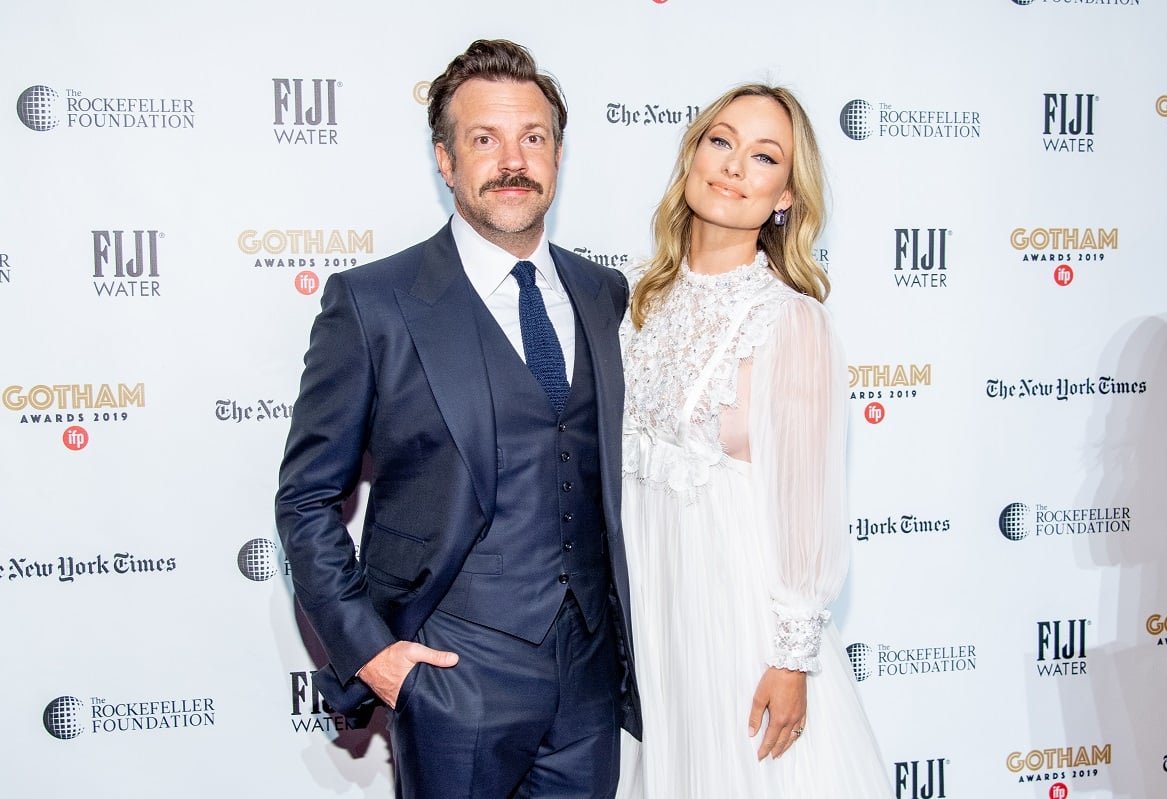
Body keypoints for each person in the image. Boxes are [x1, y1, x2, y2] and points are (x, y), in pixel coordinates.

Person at [276, 39, 640, 798]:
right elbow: (306, 499)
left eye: (532, 138)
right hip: (451, 679)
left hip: (591, 682)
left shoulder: (607, 295)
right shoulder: (374, 303)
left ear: (558, 154)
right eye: (484, 140)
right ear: (445, 160)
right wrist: (372, 653)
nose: (513, 161)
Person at [616, 84, 890, 797]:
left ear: (785, 197)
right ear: (692, 157)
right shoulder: (637, 302)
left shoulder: (791, 322)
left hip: (742, 628)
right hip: (658, 625)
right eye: (721, 141)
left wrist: (792, 660)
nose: (734, 166)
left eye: (763, 156)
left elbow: (806, 505)